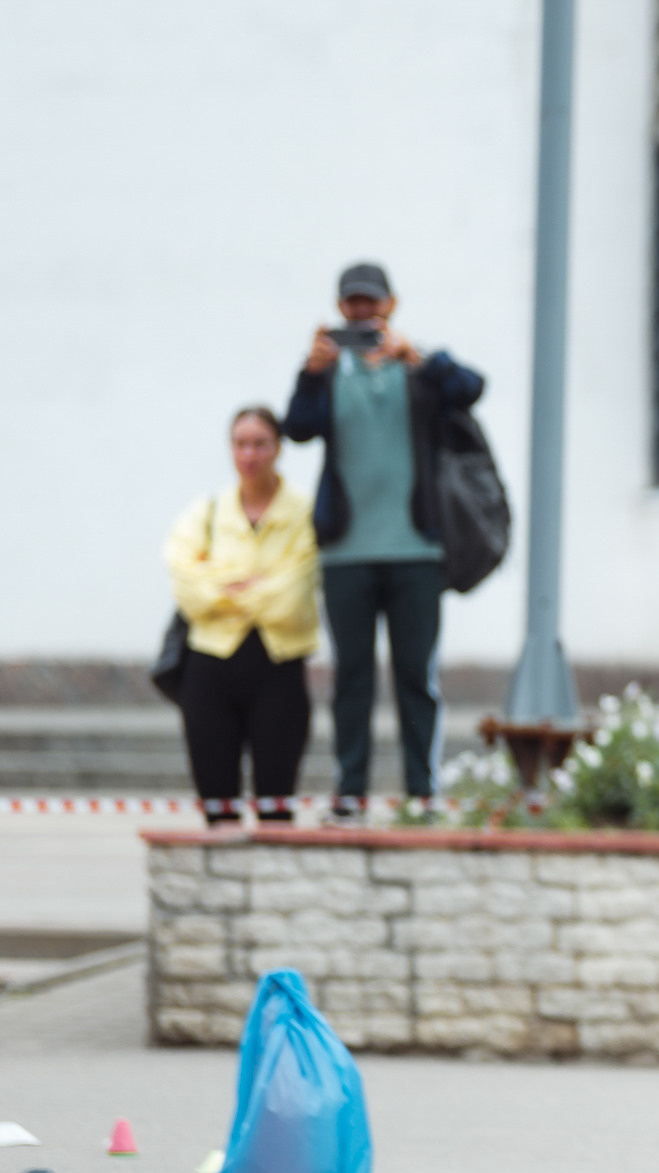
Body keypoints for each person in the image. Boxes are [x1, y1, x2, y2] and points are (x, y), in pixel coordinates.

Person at [284, 262, 484, 813]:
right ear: (339, 308)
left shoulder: (418, 370)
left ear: (391, 305)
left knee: (415, 676)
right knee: (351, 677)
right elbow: (297, 428)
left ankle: (422, 790)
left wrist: (420, 357)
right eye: (352, 304)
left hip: (416, 550)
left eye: (371, 303)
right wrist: (308, 371)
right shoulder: (329, 372)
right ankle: (351, 790)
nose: (362, 312)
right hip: (347, 552)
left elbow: (471, 389)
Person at [165, 408, 319, 824]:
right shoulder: (209, 511)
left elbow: (293, 593)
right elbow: (186, 584)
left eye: (260, 443)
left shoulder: (305, 511)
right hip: (210, 665)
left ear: (278, 448)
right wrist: (255, 586)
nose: (249, 454)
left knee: (276, 804)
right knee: (218, 806)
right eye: (240, 444)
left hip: (278, 664)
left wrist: (223, 589)